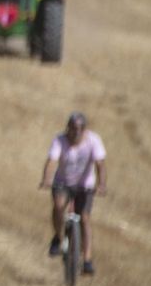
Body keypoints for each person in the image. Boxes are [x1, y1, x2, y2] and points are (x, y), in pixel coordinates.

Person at [41, 111, 108, 274]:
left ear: (84, 130)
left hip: (85, 185)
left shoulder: (93, 140)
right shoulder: (59, 140)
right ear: (67, 128)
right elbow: (51, 161)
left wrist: (102, 185)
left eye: (78, 129)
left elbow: (100, 164)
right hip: (62, 182)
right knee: (58, 206)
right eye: (72, 128)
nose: (75, 132)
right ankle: (58, 237)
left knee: (84, 218)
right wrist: (46, 179)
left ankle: (87, 260)